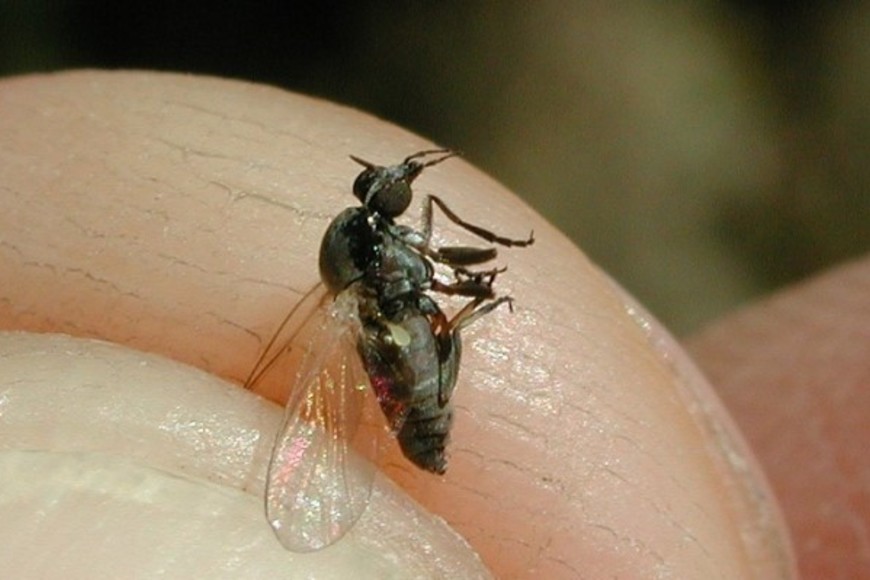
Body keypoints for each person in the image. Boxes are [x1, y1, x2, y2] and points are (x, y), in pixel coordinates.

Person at [1, 70, 862, 578]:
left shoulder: (382, 241)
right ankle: (438, 383)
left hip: (402, 327)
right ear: (381, 220)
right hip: (398, 352)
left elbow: (425, 264)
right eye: (397, 193)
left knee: (449, 301)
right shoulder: (379, 261)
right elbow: (414, 287)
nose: (403, 193)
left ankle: (450, 349)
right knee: (440, 318)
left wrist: (451, 282)